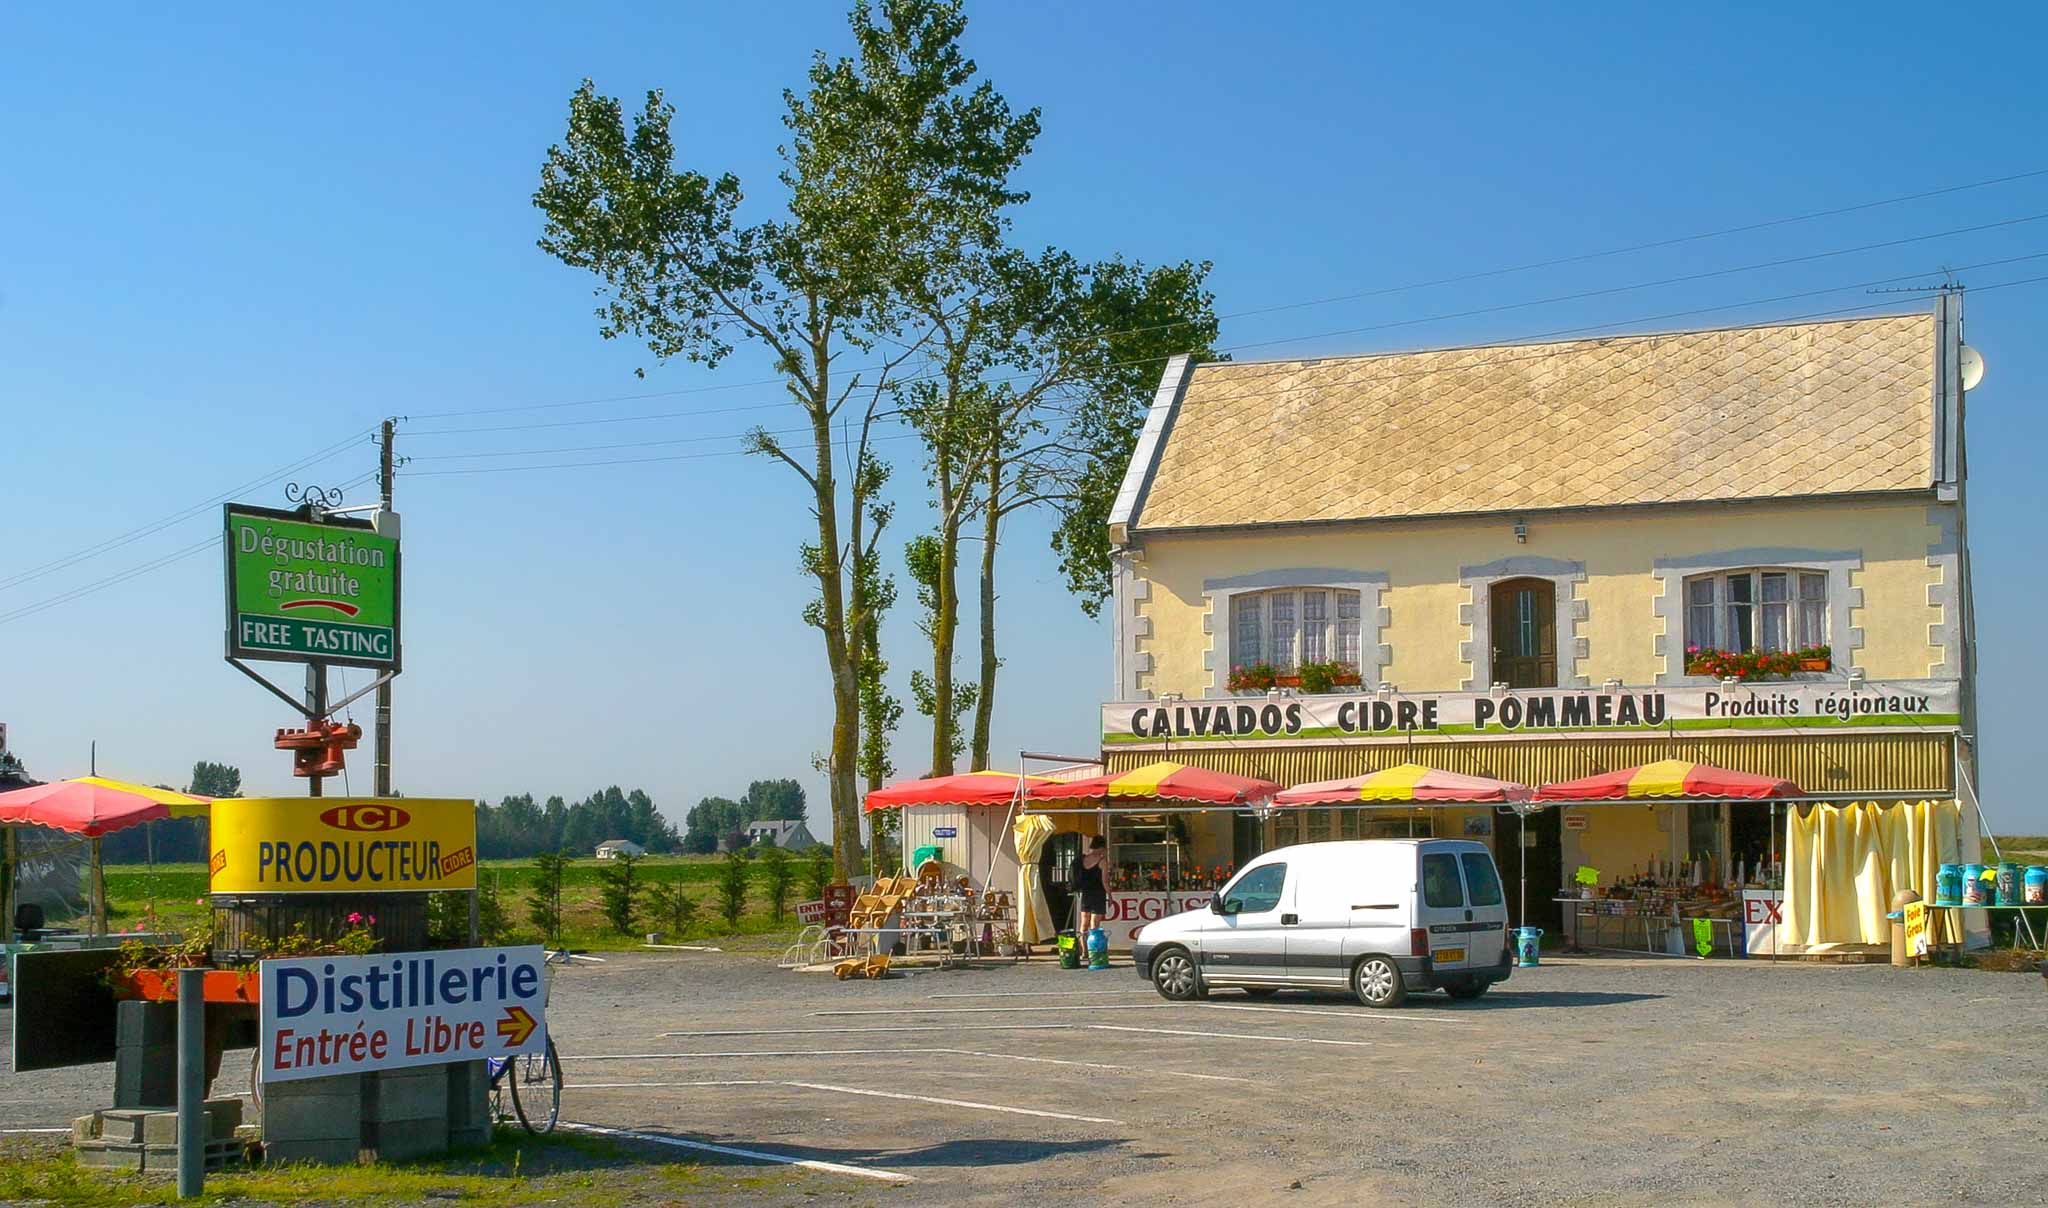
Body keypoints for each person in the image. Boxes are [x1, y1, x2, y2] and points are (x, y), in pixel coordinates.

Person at [1077, 835, 1110, 940]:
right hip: (1098, 895)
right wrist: (1110, 895)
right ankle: (1093, 948)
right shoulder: (1102, 861)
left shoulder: (1083, 859)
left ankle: (1084, 948)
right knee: (1094, 924)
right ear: (1101, 847)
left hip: (1086, 894)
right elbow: (1105, 881)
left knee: (1083, 924)